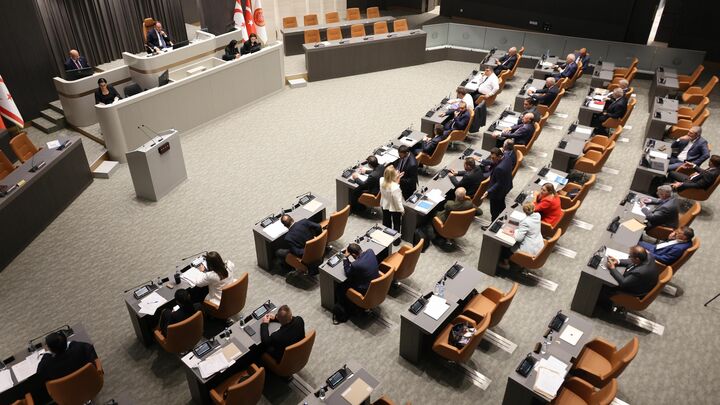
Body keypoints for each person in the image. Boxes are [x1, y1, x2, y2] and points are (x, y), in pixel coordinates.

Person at [333, 243, 379, 323]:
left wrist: (345, 258)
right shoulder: (370, 251)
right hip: (376, 284)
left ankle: (347, 308)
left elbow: (347, 272)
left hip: (364, 289)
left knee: (340, 287)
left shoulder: (356, 265)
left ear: (353, 255)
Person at [498, 202, 543, 270]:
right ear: (534, 208)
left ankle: (506, 264)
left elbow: (518, 238)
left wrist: (515, 231)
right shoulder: (538, 215)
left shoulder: (525, 222)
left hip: (529, 249)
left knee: (506, 247)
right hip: (538, 245)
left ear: (524, 211)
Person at [482, 148, 513, 221]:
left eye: (493, 158)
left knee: (494, 210)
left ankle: (493, 224)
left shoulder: (500, 168)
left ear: (499, 156)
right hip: (506, 186)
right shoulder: (507, 156)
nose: (492, 159)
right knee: (501, 203)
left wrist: (488, 191)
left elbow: (499, 183)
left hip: (497, 192)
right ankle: (504, 217)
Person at [379, 166, 404, 239]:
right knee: (396, 223)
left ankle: (386, 237)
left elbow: (389, 183)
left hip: (384, 204)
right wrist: (402, 210)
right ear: (393, 176)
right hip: (394, 208)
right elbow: (397, 201)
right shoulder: (395, 187)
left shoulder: (381, 180)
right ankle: (396, 240)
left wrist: (396, 179)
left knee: (386, 222)